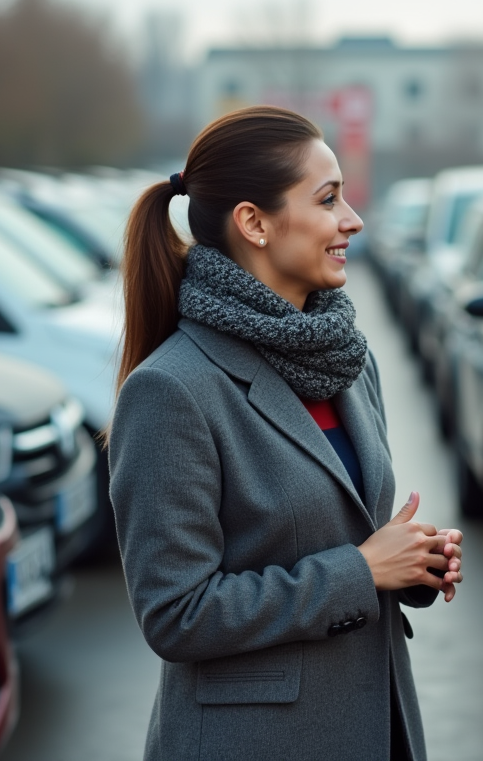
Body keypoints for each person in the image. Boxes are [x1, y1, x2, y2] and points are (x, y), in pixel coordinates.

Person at [108, 106, 462, 761]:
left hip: (377, 726)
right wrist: (361, 570)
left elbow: (345, 535)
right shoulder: (171, 391)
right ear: (254, 223)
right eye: (329, 199)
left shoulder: (346, 361)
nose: (352, 220)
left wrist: (409, 561)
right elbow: (176, 613)